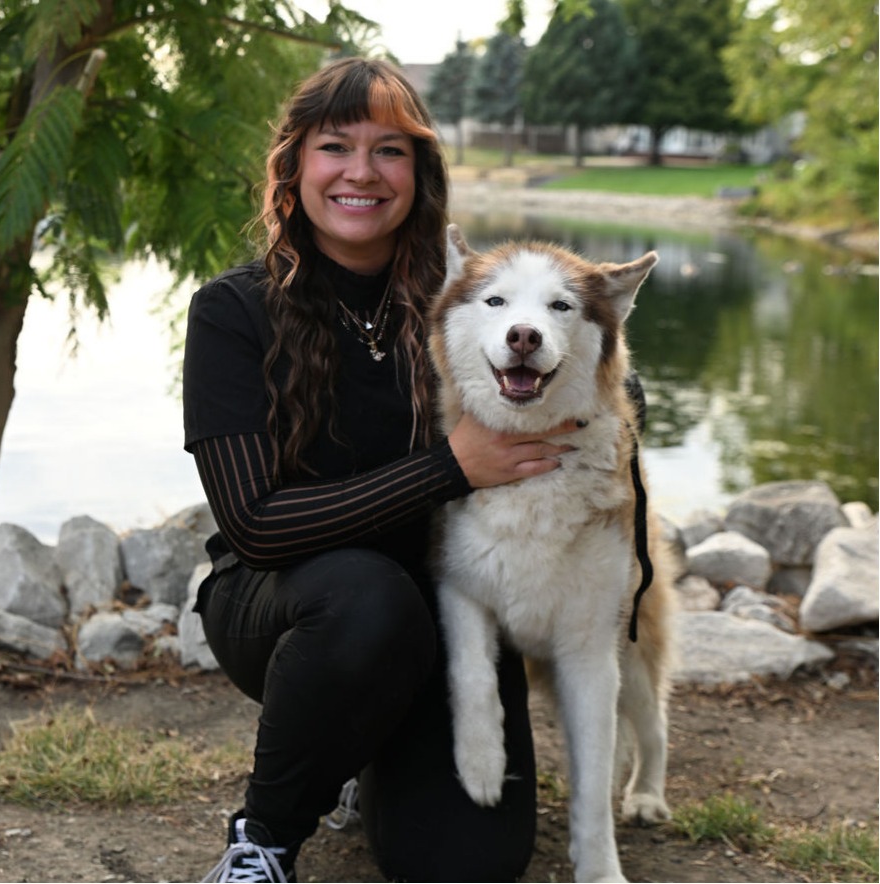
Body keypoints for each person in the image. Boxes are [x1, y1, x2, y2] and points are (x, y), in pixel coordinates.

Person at [183, 56, 586, 884]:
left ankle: (360, 752)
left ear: (420, 172)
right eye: (336, 146)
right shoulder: (232, 310)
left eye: (390, 150)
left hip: (449, 618)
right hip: (291, 607)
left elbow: (583, 364)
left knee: (471, 863)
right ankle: (263, 839)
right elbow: (256, 524)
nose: (361, 173)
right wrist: (452, 466)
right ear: (294, 165)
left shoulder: (466, 305)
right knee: (365, 594)